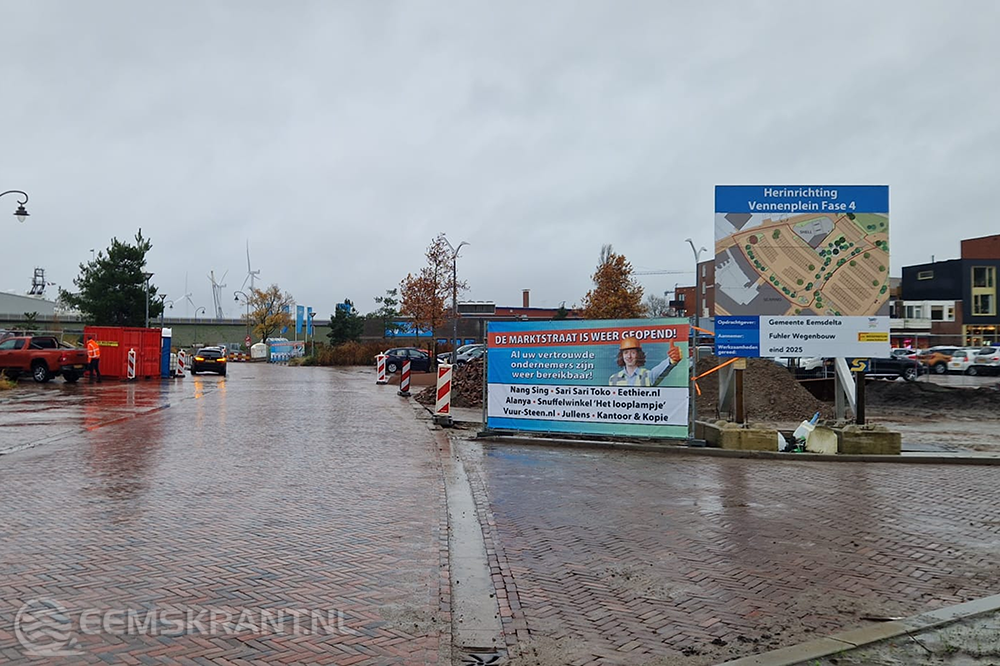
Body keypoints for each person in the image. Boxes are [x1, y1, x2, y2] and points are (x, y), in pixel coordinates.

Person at [608, 336, 682, 387]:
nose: (629, 356)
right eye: (626, 352)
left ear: (638, 355)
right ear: (622, 355)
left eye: (633, 353)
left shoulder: (648, 375)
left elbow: (660, 371)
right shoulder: (613, 379)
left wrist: (671, 360)